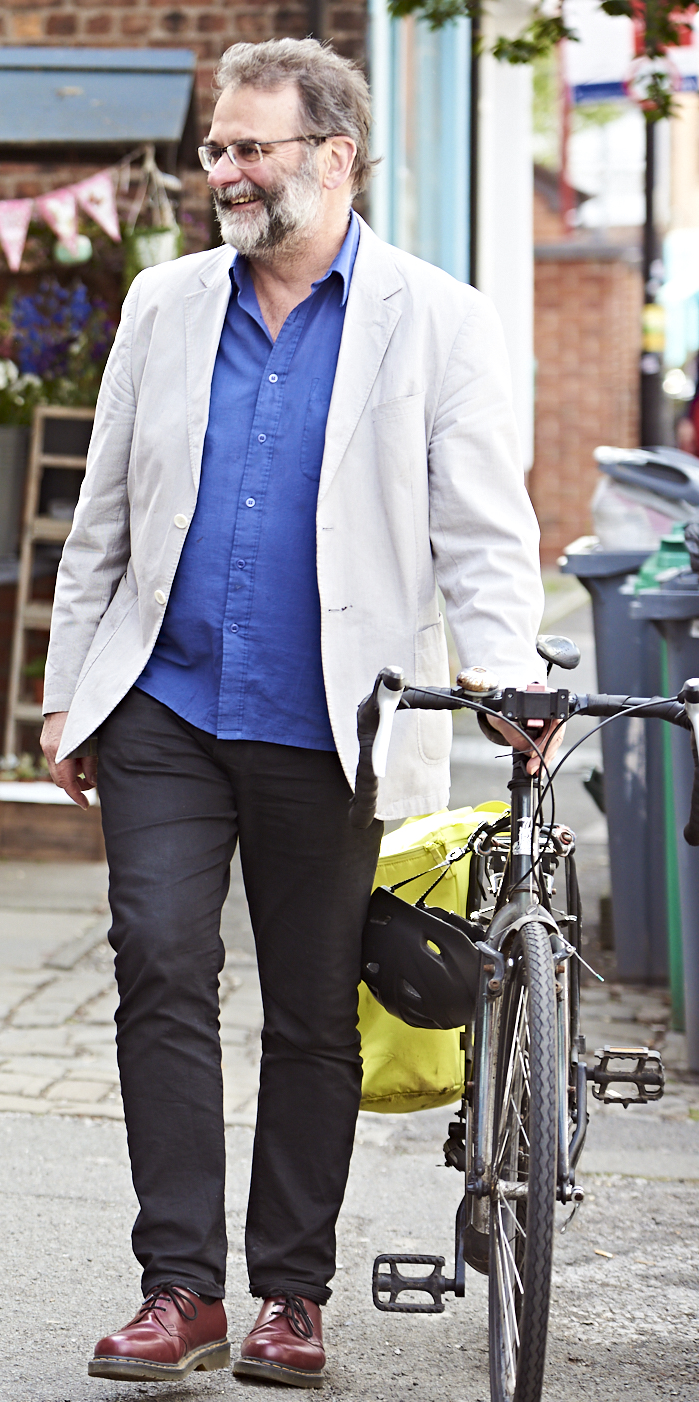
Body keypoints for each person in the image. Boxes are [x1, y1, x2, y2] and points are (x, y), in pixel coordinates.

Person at [40, 40, 550, 1389]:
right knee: (157, 956)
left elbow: (483, 531)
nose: (225, 170)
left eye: (250, 147)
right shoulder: (164, 305)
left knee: (317, 1005)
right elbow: (101, 518)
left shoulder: (434, 318)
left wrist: (504, 668)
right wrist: (66, 689)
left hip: (336, 720)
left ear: (334, 156)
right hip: (165, 699)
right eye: (217, 146)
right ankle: (180, 1286)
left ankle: (294, 1294)